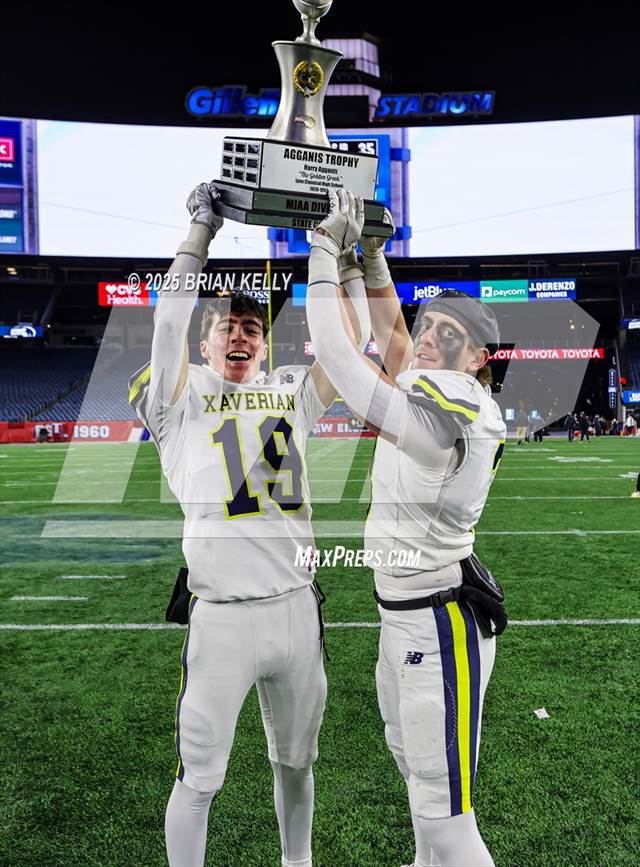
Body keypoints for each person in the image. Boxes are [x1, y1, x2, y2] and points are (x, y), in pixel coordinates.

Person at [127, 183, 368, 867]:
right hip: (223, 617)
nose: (239, 332)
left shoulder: (290, 389)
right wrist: (199, 233)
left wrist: (347, 262)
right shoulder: (180, 398)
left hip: (296, 610)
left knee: (298, 762)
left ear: (264, 342)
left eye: (252, 326)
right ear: (206, 342)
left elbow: (357, 346)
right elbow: (165, 326)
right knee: (199, 778)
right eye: (227, 324)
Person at [306, 189, 506, 867]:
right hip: (405, 617)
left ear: (481, 359)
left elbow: (343, 352)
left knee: (449, 817)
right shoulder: (431, 384)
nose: (428, 337)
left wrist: (325, 251)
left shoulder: (460, 401)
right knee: (419, 779)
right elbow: (400, 339)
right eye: (430, 325)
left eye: (451, 335)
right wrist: (373, 256)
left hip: (439, 619)